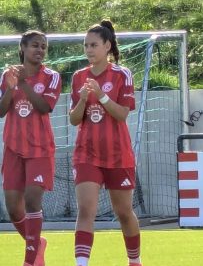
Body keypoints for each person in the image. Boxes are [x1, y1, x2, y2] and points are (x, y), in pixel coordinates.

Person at [68, 20, 141, 266]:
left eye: (94, 45)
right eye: (86, 45)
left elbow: (122, 114)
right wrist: (82, 101)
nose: (89, 50)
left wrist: (101, 95)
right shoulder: (79, 77)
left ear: (107, 46)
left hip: (118, 155)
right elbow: (74, 120)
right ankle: (81, 263)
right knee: (86, 209)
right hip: (86, 154)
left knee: (123, 213)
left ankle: (134, 260)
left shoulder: (122, 74)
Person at [1, 30, 61, 266]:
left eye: (43, 46)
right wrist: (10, 88)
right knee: (14, 210)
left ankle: (30, 261)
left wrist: (23, 83)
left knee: (32, 202)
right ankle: (37, 243)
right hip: (13, 150)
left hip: (40, 150)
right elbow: (1, 111)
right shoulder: (7, 74)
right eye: (35, 45)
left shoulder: (52, 77)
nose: (40, 50)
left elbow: (45, 107)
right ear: (23, 48)